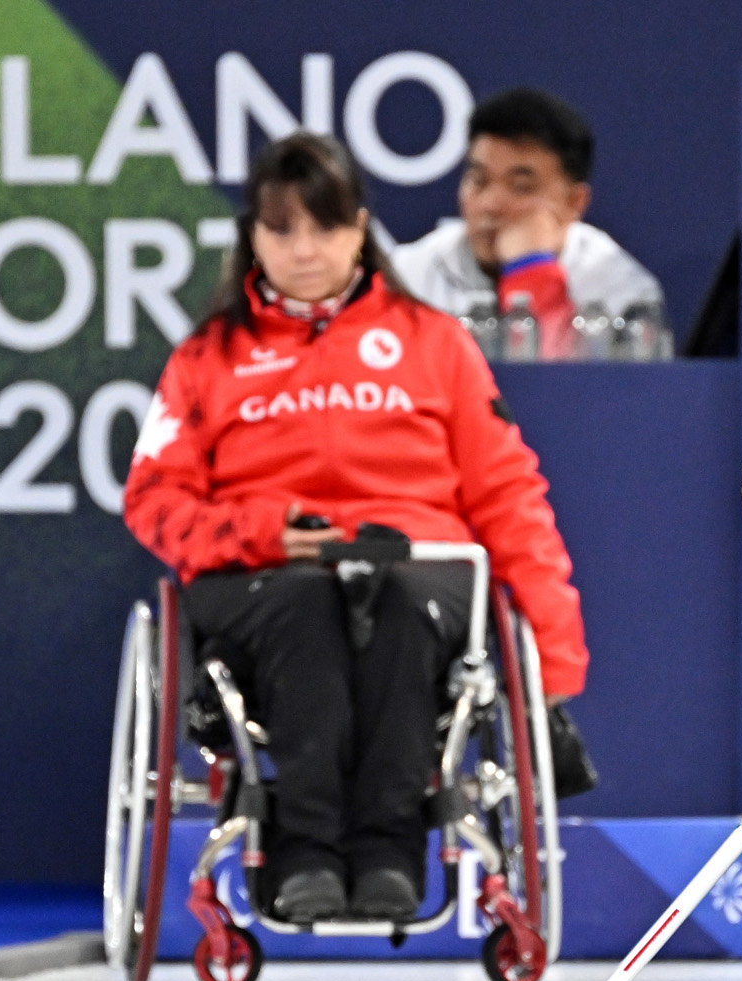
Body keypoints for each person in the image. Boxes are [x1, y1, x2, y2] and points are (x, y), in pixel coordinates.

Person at [123, 133, 587, 925]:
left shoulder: (434, 343)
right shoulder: (206, 357)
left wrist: (552, 660)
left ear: (360, 228)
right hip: (262, 576)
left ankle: (388, 856)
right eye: (281, 230)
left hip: (417, 564)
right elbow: (155, 502)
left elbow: (508, 495)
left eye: (326, 227)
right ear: (252, 239)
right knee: (307, 606)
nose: (305, 250)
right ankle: (301, 854)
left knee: (402, 604)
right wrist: (268, 531)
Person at [390, 88, 665, 349]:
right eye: (478, 180)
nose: (490, 205)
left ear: (574, 202)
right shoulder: (405, 277)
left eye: (521, 187)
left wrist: (532, 272)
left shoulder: (622, 293)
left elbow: (575, 393)